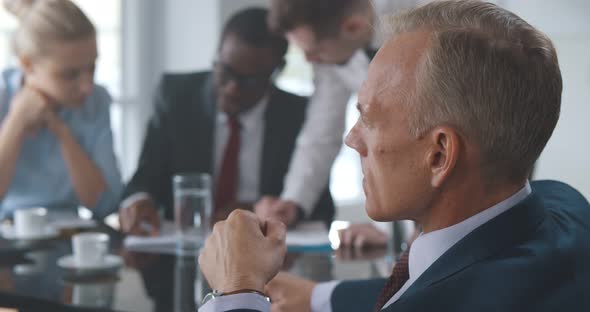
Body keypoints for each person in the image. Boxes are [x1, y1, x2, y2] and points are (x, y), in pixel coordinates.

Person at [197, 1, 590, 311]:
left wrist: (237, 291)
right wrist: (318, 297)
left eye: (368, 118)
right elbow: (440, 275)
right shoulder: (564, 203)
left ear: (439, 155)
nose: (351, 139)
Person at [119, 8, 334, 236]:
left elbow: (321, 209)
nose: (232, 88)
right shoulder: (176, 97)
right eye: (225, 71)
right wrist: (138, 203)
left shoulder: (299, 115)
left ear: (275, 72)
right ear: (218, 54)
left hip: (266, 256)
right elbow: (143, 181)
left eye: (248, 80)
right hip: (185, 250)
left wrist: (256, 211)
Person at [253, 0, 415, 230]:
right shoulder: (333, 48)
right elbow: (321, 133)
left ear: (353, 27)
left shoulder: (427, 19)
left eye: (314, 52)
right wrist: (294, 201)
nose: (310, 60)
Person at [0, 0, 122, 220]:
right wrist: (16, 121)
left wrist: (61, 131)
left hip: (70, 238)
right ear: (28, 65)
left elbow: (106, 204)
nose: (87, 86)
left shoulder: (97, 101)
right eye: (70, 74)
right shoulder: (2, 97)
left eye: (92, 68)